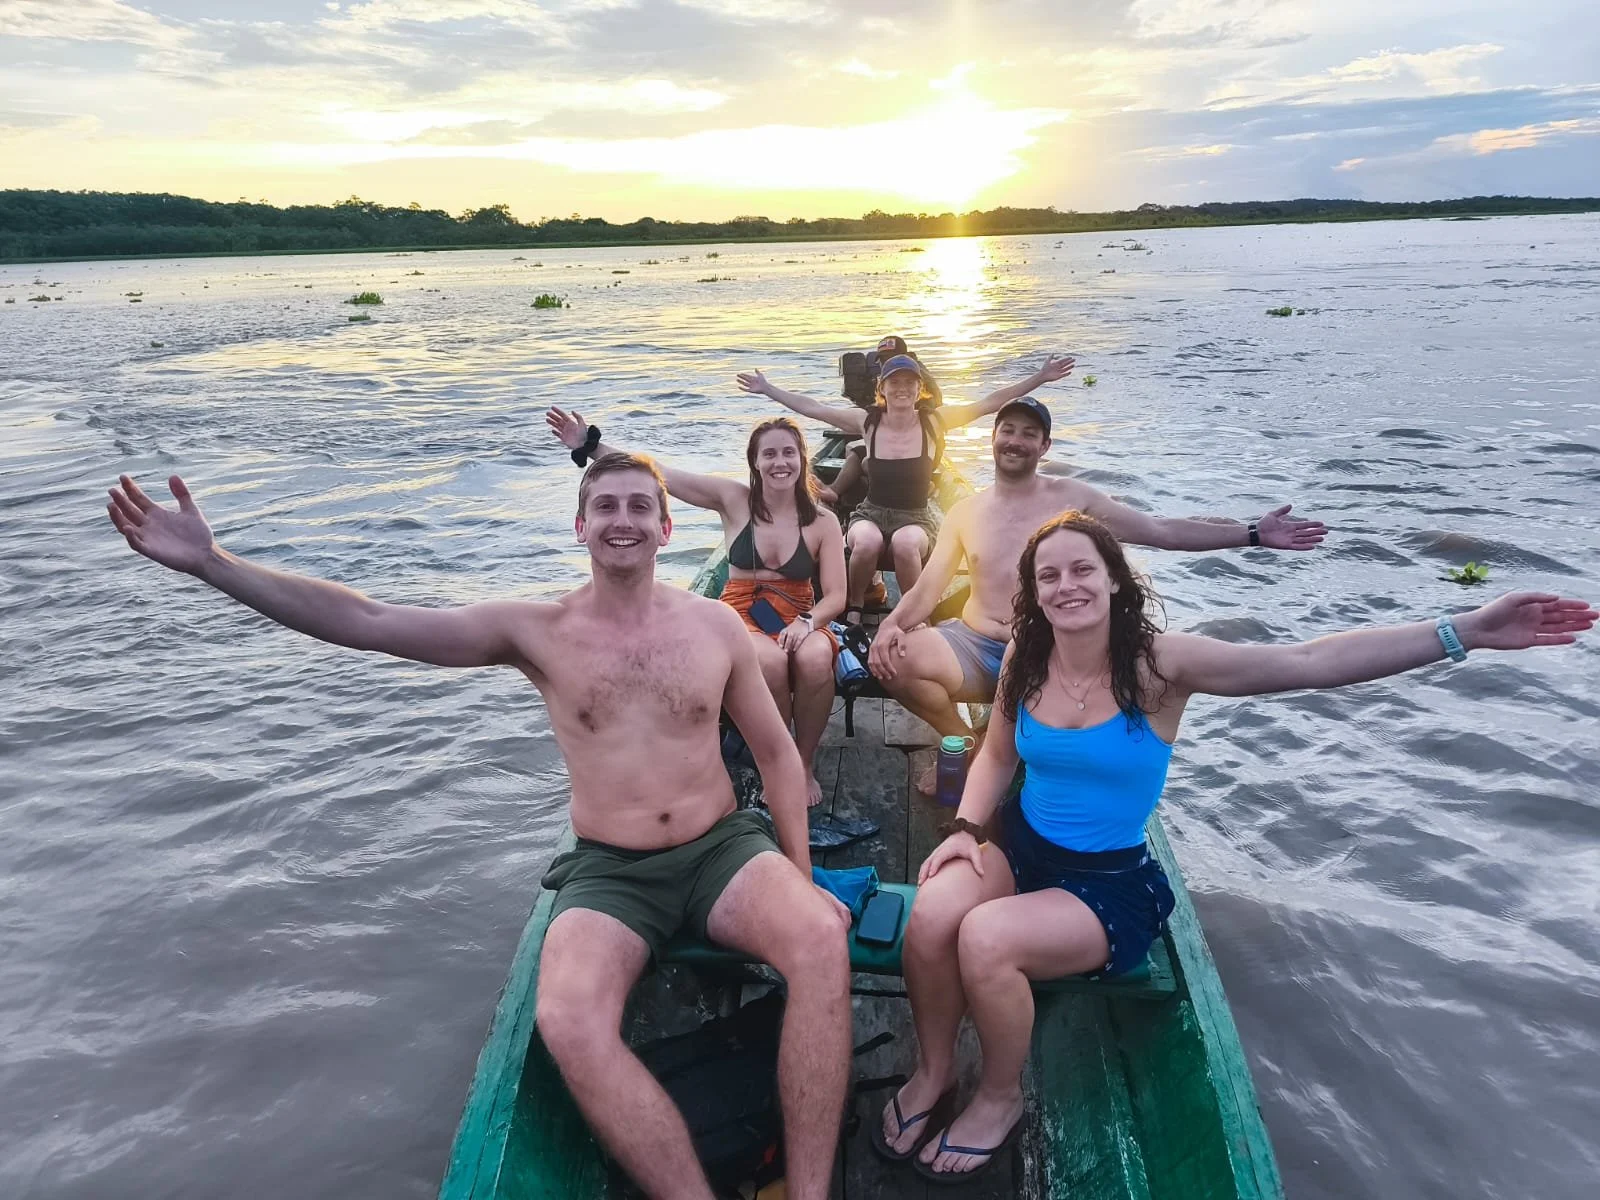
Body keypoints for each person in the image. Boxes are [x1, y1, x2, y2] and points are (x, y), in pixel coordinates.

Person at [104, 461, 853, 1200]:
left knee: (819, 938)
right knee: (566, 1019)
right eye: (604, 506)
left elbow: (778, 758)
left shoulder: (715, 626)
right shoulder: (536, 631)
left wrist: (799, 873)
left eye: (637, 506)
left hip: (720, 849)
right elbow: (369, 621)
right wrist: (214, 563)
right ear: (581, 527)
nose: (621, 519)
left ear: (665, 527)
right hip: (610, 874)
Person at [877, 511, 1595, 1183]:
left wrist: (1462, 628)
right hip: (1020, 842)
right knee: (935, 916)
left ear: (1116, 579)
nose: (1068, 586)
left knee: (985, 939)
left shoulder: (1162, 666)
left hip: (1106, 884)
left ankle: (1000, 1096)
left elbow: (1308, 662)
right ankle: (934, 1070)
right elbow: (998, 755)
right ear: (1033, 594)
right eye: (1050, 577)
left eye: (1083, 570)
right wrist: (969, 829)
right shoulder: (1025, 661)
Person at [869, 396, 1327, 789]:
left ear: (1044, 446)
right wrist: (890, 627)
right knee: (895, 659)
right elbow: (928, 589)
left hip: (1046, 654)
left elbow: (1161, 531)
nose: (1015, 440)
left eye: (1029, 434)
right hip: (973, 644)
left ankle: (994, 745)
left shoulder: (1074, 499)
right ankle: (970, 745)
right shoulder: (966, 511)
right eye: (1007, 430)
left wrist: (1251, 533)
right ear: (993, 438)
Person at [547, 406, 846, 807]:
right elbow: (660, 474)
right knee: (771, 663)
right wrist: (591, 445)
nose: (780, 462)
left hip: (802, 614)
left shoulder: (823, 520)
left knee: (814, 659)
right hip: (741, 612)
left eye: (788, 453)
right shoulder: (733, 499)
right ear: (755, 463)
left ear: (802, 458)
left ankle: (803, 763)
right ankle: (775, 759)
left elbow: (837, 597)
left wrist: (808, 623)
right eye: (769, 454)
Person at [737, 352, 1075, 624]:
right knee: (866, 541)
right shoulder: (866, 421)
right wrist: (769, 389)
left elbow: (989, 403)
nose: (902, 388)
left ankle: (915, 617)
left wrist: (1040, 378)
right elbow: (814, 408)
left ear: (919, 389)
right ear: (882, 388)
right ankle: (855, 608)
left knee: (905, 544)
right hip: (871, 512)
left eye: (910, 383)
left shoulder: (934, 421)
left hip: (916, 516)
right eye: (894, 382)